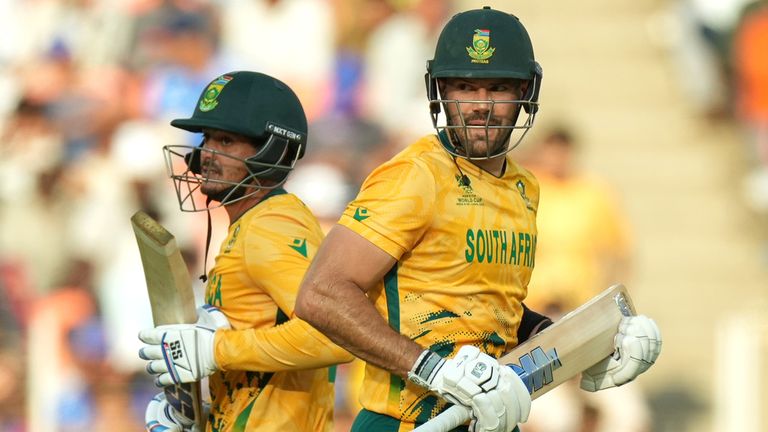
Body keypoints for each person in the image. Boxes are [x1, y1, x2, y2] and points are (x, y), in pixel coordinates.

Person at [295, 7, 662, 432]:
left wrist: (589, 342)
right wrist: (431, 369)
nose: (480, 106)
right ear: (440, 91)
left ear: (525, 91)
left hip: (490, 420)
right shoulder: (416, 175)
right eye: (465, 87)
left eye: (498, 88)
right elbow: (320, 294)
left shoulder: (524, 186)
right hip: (405, 421)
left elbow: (496, 312)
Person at [135, 71, 353, 431]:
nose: (207, 153)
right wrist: (204, 413)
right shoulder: (255, 223)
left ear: (272, 150)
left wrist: (215, 350)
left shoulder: (272, 227)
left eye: (226, 140)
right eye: (207, 138)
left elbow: (335, 336)